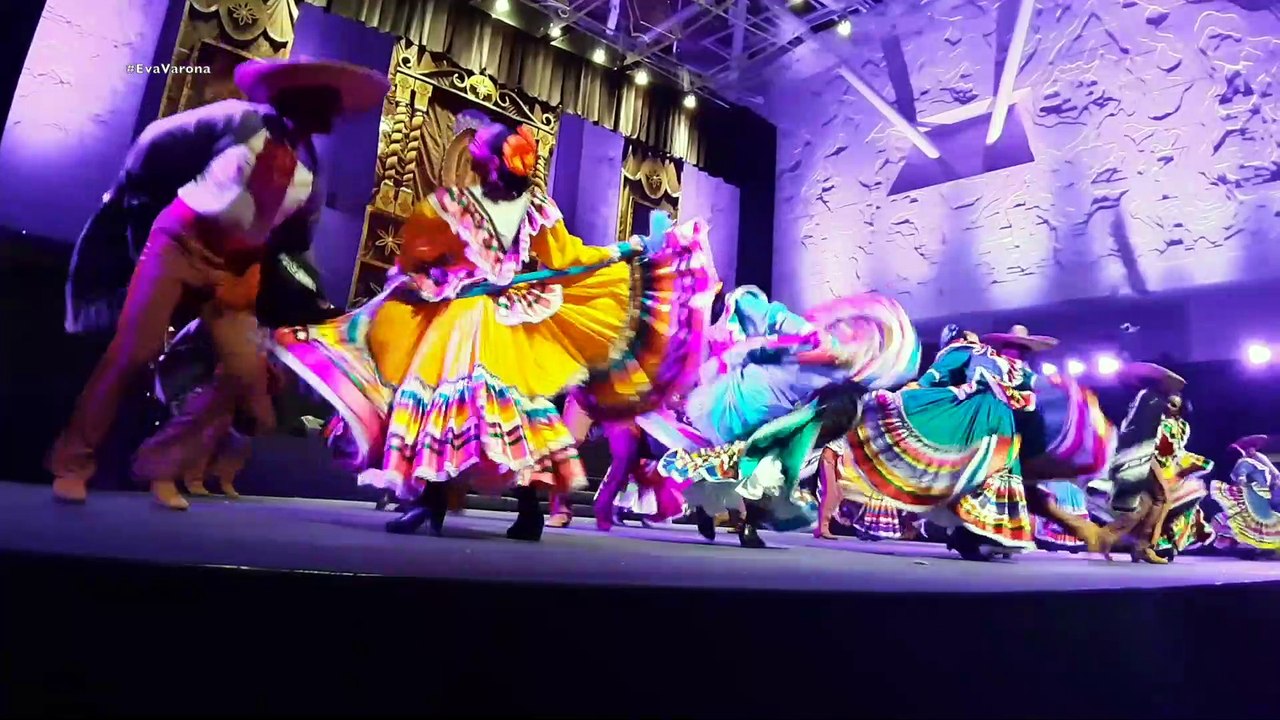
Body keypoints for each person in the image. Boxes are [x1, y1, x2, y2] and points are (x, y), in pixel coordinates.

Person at [271, 122, 718, 541]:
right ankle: (490, 506)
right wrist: (618, 249)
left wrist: (622, 251)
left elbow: (425, 256)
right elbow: (563, 257)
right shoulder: (491, 206)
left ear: (484, 163)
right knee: (494, 411)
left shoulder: (466, 205)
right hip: (483, 314)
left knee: (459, 406)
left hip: (470, 317)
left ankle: (458, 504)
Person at [51, 58, 389, 509]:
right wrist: (133, 203)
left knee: (244, 373)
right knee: (136, 351)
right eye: (324, 102)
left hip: (237, 266)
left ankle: (161, 464)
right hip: (179, 243)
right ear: (300, 100)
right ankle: (74, 461)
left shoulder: (312, 165)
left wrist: (264, 273)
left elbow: (294, 236)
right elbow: (155, 141)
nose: (333, 113)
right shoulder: (236, 119)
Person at [658, 291, 920, 547]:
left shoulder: (839, 363)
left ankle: (738, 519)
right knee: (739, 459)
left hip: (773, 409)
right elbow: (775, 327)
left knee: (756, 466)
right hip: (750, 396)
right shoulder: (812, 336)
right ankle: (717, 509)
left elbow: (800, 352)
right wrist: (758, 346)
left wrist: (764, 351)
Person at [835, 325, 1058, 560]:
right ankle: (969, 532)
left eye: (1023, 348)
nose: (1017, 352)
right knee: (972, 470)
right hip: (975, 414)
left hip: (1005, 421)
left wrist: (1060, 386)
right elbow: (940, 373)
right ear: (1003, 345)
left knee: (998, 470)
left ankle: (985, 533)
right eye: (1013, 346)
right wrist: (920, 388)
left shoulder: (1024, 372)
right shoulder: (977, 354)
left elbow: (1041, 388)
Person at [1090, 363, 1213, 564]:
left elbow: (1172, 449)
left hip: (1154, 461)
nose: (1170, 404)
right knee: (1161, 499)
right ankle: (1144, 546)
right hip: (1145, 457)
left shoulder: (1161, 409)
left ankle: (1108, 537)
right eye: (1170, 401)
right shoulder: (1150, 400)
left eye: (1174, 404)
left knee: (1144, 506)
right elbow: (1144, 437)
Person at [1210, 435, 1280, 557]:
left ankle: (1250, 546)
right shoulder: (1247, 462)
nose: (1251, 450)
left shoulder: (1253, 460)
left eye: (1253, 448)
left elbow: (1273, 476)